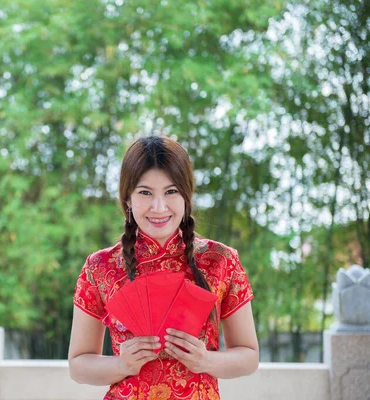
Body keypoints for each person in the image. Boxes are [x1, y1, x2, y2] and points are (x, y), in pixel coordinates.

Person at [68, 136, 259, 400]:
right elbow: (78, 365)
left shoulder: (220, 260)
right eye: (145, 192)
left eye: (171, 192)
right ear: (127, 199)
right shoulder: (100, 266)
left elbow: (249, 356)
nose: (159, 207)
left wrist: (205, 361)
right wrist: (121, 365)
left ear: (186, 196)